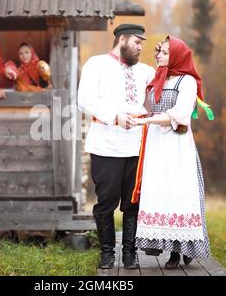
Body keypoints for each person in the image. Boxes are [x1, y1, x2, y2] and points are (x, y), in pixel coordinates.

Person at [132, 35, 214, 269]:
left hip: (177, 147)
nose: (158, 55)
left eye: (165, 52)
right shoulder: (158, 79)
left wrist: (144, 122)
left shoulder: (187, 82)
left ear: (177, 55)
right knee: (161, 193)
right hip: (157, 146)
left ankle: (182, 250)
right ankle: (169, 248)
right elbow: (146, 108)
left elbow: (177, 115)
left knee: (179, 194)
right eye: (159, 51)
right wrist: (134, 116)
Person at [77, 24, 155, 270]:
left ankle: (129, 254)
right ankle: (107, 253)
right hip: (105, 146)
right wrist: (114, 116)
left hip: (137, 146)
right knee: (106, 202)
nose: (141, 47)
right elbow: (84, 101)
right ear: (121, 40)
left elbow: (164, 89)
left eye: (142, 43)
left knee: (132, 203)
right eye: (137, 42)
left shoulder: (145, 71)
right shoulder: (96, 64)